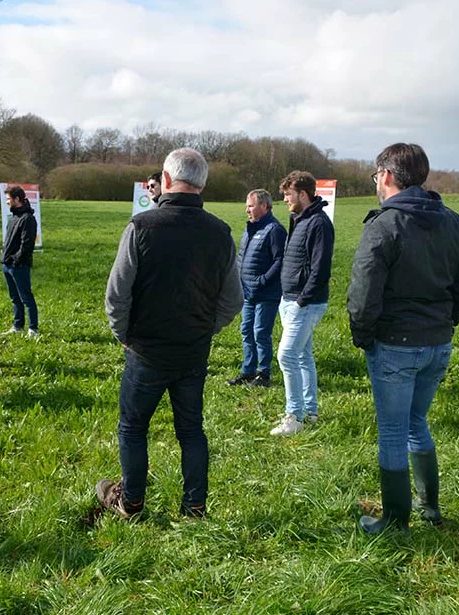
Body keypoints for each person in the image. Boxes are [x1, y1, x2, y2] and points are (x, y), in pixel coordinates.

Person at [97, 147, 243, 520]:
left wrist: (123, 334)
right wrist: (207, 330)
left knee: (132, 427)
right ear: (204, 183)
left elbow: (117, 293)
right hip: (191, 351)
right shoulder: (220, 232)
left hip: (146, 351)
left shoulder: (142, 227)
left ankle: (131, 502)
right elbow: (234, 298)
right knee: (191, 430)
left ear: (164, 180)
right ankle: (194, 506)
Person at [348, 143, 459, 533]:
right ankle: (430, 507)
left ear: (386, 176)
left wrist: (365, 337)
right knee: (416, 423)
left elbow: (362, 294)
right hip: (437, 343)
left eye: (376, 177)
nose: (377, 183)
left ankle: (394, 519)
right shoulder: (453, 221)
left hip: (395, 344)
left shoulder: (384, 225)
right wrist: (446, 320)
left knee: (393, 431)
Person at [269, 171, 334, 436]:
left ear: (303, 194)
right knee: (303, 356)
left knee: (286, 355)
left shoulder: (319, 224)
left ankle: (293, 417)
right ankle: (310, 412)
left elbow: (320, 270)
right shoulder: (299, 219)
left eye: (288, 194)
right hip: (289, 300)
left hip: (304, 304)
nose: (285, 199)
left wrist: (301, 301)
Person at [227, 189, 286, 388]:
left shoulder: (274, 229)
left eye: (250, 206)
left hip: (266, 293)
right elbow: (242, 257)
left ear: (264, 206)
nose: (247, 210)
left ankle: (263, 373)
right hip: (247, 292)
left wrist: (262, 280)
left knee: (260, 332)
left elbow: (280, 260)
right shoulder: (250, 228)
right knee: (246, 330)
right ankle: (248, 371)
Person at [1, 185, 39, 337]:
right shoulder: (14, 217)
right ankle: (18, 326)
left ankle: (33, 328)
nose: (7, 202)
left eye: (9, 199)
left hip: (19, 266)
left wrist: (15, 260)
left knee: (26, 298)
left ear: (17, 199)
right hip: (7, 265)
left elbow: (27, 245)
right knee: (14, 298)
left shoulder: (28, 219)